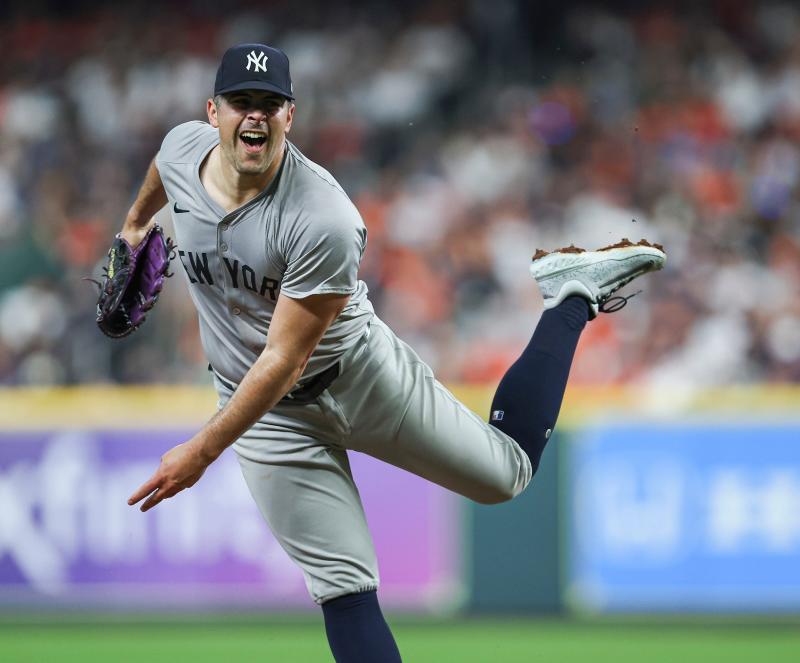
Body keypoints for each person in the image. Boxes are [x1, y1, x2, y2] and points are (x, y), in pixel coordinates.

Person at [122, 43, 665, 662]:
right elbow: (162, 173)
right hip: (268, 420)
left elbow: (284, 361)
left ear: (290, 116)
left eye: (269, 104)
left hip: (355, 373)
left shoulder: (322, 216)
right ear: (212, 112)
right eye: (241, 103)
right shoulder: (181, 148)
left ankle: (570, 294)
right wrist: (134, 227)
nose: (255, 117)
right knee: (344, 586)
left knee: (505, 476)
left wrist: (202, 450)